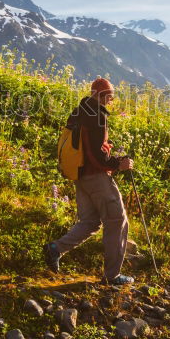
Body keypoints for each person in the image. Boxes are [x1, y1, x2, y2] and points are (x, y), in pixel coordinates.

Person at [44, 77, 135, 285]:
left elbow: (86, 147)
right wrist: (117, 164)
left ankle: (55, 249)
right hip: (96, 177)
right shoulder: (97, 116)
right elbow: (96, 155)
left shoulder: (79, 111)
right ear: (99, 95)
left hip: (80, 176)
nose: (110, 100)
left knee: (90, 222)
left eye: (111, 96)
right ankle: (112, 276)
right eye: (108, 96)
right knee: (117, 221)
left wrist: (109, 154)